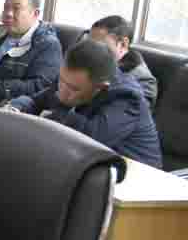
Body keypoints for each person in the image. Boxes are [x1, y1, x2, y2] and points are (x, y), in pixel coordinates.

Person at [8, 39, 163, 169]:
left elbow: (90, 138)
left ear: (101, 88)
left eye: (73, 89)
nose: (63, 91)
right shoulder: (70, 78)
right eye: (61, 81)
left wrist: (57, 111)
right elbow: (36, 101)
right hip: (90, 168)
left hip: (136, 179)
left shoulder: (127, 98)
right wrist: (15, 108)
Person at [88, 15, 158, 110]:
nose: (92, 51)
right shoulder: (93, 64)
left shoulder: (143, 81)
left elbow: (125, 117)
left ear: (123, 44)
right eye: (90, 45)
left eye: (100, 46)